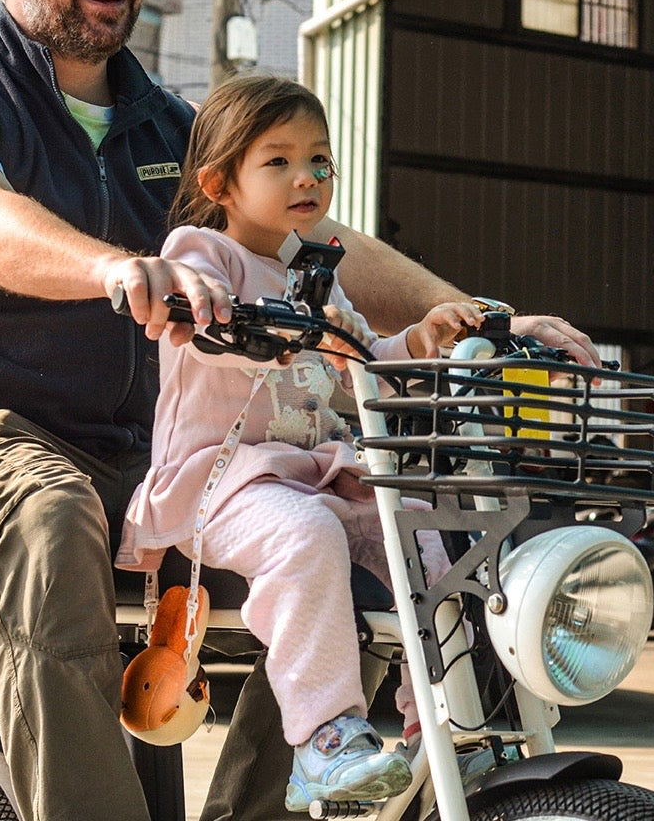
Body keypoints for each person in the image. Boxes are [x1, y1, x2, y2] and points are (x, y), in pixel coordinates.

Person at [0, 0, 599, 821]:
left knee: (368, 524)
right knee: (47, 516)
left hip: (134, 454)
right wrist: (116, 265)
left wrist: (484, 317)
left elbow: (313, 237)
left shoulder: (171, 129)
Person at [118, 75, 485, 811]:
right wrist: (226, 316)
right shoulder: (203, 251)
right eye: (278, 160)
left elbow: (363, 365)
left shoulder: (317, 275)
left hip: (312, 474)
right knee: (306, 534)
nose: (306, 177)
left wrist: (421, 337)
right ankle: (324, 737)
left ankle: (444, 724)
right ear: (219, 181)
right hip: (221, 485)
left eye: (319, 160)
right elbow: (196, 308)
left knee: (424, 536)